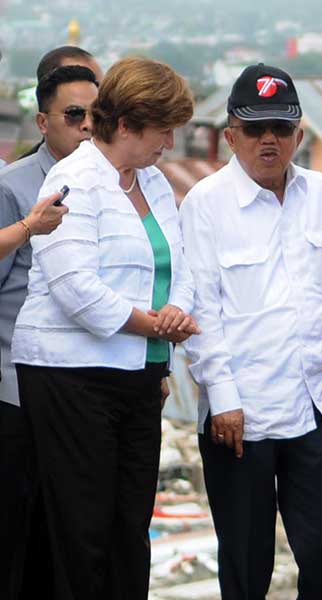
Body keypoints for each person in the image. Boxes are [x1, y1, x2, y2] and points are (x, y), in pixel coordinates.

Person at [12, 57, 198, 600]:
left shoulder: (156, 182)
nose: (169, 140)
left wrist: (176, 313)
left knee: (128, 530)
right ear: (126, 125)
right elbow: (76, 292)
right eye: (162, 128)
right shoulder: (73, 178)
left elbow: (178, 264)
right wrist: (156, 326)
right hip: (71, 377)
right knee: (83, 530)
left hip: (137, 378)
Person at [180, 64, 322, 600]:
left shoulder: (321, 192)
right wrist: (224, 397)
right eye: (255, 128)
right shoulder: (206, 204)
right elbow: (200, 310)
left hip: (315, 404)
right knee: (245, 559)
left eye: (281, 129)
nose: (268, 140)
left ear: (299, 135)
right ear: (231, 134)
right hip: (242, 416)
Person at [0, 63, 97, 600]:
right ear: (42, 121)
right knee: (18, 540)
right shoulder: (15, 187)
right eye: (74, 114)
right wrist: (28, 228)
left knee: (70, 545)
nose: (87, 126)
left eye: (96, 114)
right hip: (18, 394)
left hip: (83, 394)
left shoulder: (113, 185)